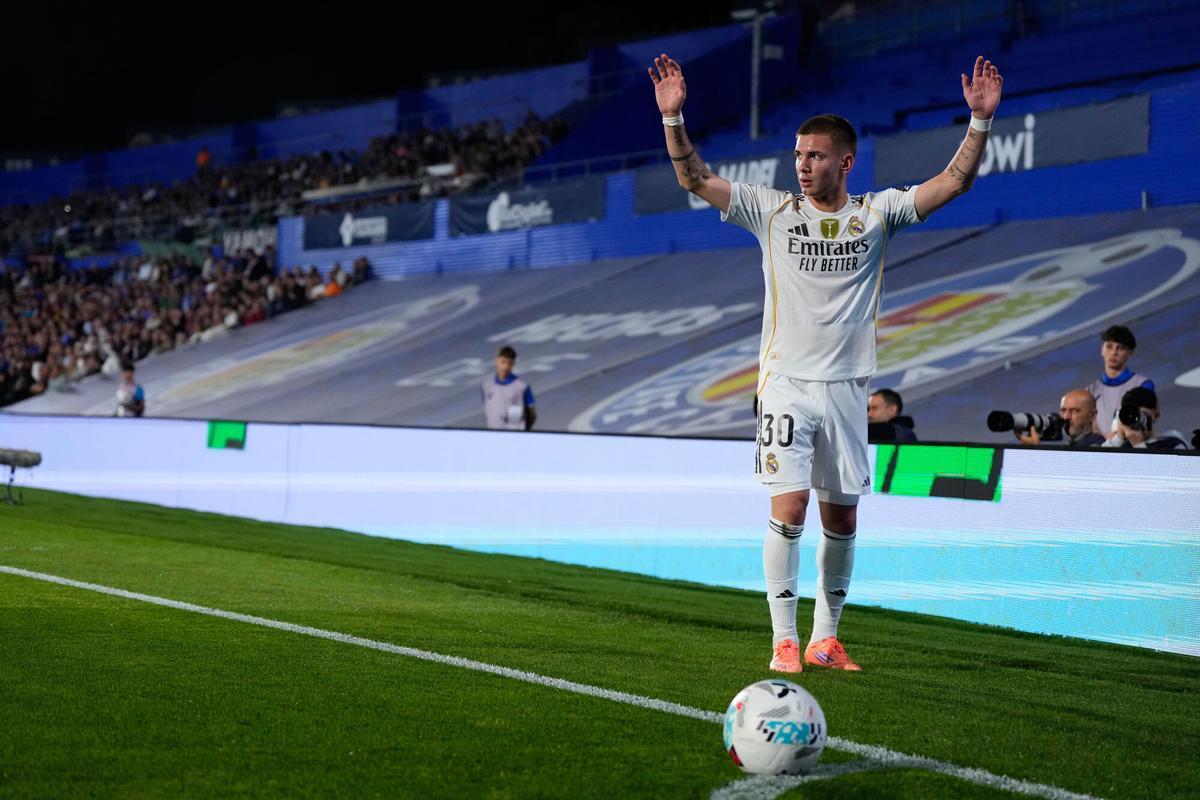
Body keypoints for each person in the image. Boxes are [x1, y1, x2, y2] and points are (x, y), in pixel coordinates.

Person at [648, 51, 1003, 672]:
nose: (803, 166)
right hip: (784, 384)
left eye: (814, 156)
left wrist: (978, 124)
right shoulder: (772, 210)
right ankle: (784, 637)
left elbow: (953, 183)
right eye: (798, 155)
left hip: (847, 389)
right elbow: (695, 179)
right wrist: (674, 120)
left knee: (842, 517)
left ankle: (825, 638)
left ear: (845, 160)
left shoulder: (876, 215)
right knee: (788, 508)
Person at [1086, 325, 1153, 439]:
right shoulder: (1089, 392)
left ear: (1130, 352)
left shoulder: (1143, 385)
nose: (1114, 352)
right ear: (1102, 349)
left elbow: (1145, 422)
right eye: (1109, 346)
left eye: (1120, 348)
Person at [1099, 386, 1187, 450]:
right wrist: (1118, 438)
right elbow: (1097, 464)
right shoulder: (1122, 445)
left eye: (1142, 414)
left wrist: (1138, 445)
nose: (1136, 419)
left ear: (1156, 414)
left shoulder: (1172, 443)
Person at [1013, 389, 1105, 448]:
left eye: (1074, 411)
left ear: (1092, 415)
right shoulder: (1073, 444)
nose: (1066, 417)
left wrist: (1035, 451)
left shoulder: (1097, 445)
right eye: (1063, 410)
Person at [481, 346, 536, 431]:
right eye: (503, 362)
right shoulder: (487, 386)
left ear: (513, 364)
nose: (505, 366)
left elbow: (532, 414)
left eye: (509, 363)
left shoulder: (521, 387)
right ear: (496, 361)